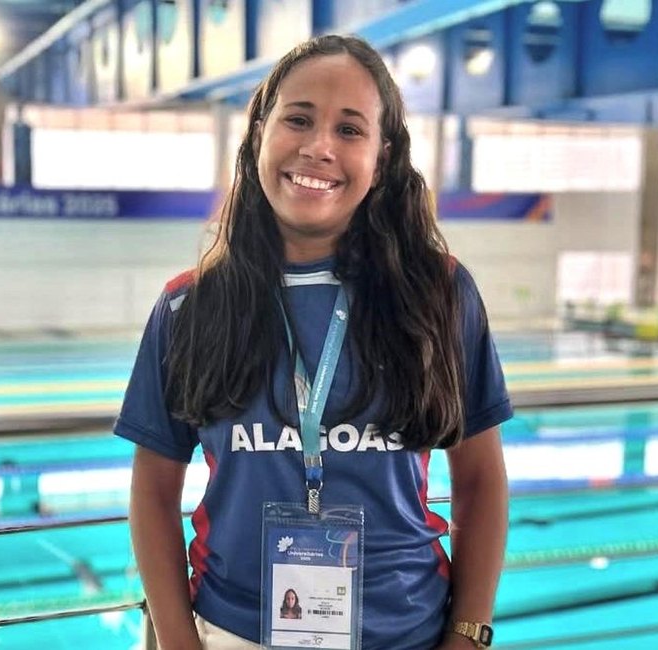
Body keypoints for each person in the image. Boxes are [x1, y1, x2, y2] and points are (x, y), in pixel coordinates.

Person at [117, 34, 511, 650]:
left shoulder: (439, 294)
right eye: (298, 119)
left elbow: (481, 477)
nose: (319, 147)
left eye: (350, 130)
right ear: (259, 134)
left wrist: (467, 634)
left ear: (382, 156)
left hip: (408, 633)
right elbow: (153, 488)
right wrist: (177, 640)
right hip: (234, 632)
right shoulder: (190, 306)